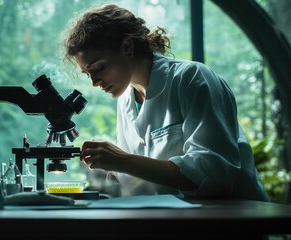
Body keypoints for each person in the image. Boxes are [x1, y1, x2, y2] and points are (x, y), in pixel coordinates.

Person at [61, 3, 269, 201]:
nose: (95, 82)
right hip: (171, 221)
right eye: (88, 74)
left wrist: (121, 160)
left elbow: (215, 174)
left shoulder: (191, 79)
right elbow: (141, 179)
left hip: (230, 222)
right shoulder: (126, 98)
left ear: (127, 47)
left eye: (99, 67)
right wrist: (106, 170)